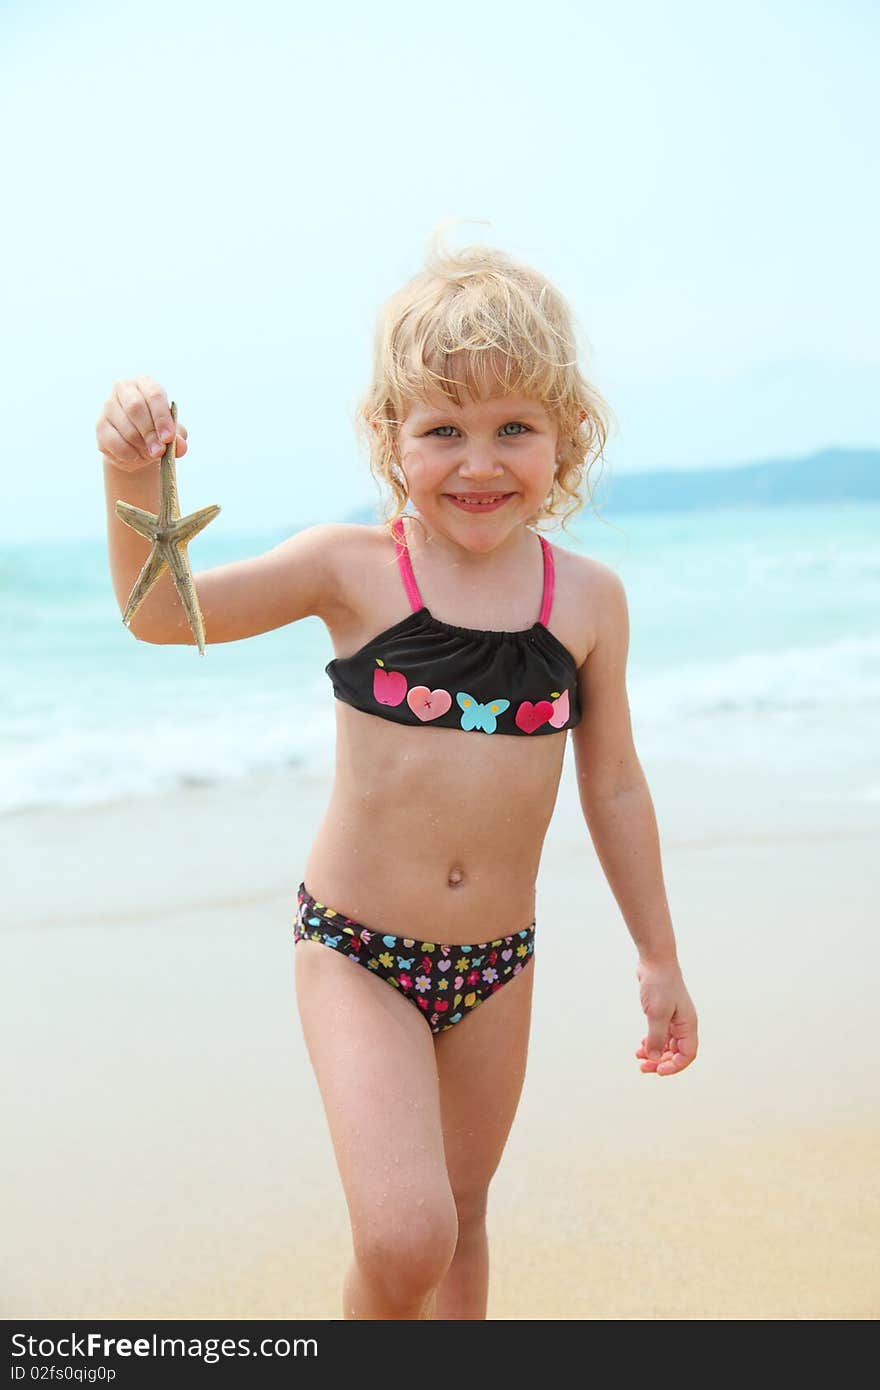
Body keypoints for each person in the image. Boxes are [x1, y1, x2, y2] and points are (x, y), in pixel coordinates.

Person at [97, 229, 699, 1321]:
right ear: (391, 438)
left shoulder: (588, 599)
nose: (479, 462)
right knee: (404, 1232)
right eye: (443, 430)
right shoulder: (352, 567)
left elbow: (612, 787)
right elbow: (158, 612)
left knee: (463, 1225)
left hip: (495, 966)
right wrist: (134, 471)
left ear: (566, 436)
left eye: (513, 427)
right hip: (357, 953)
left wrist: (657, 955)